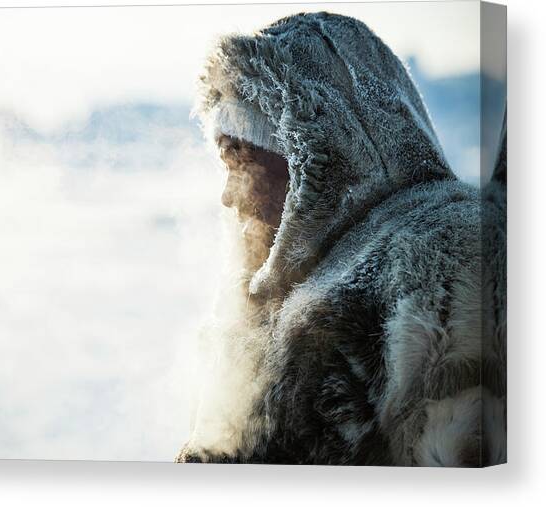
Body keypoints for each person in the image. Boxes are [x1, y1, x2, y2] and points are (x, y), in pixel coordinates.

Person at [177, 11, 506, 466]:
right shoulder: (266, 293)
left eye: (243, 160)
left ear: (313, 152)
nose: (229, 195)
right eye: (225, 163)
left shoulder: (440, 256)